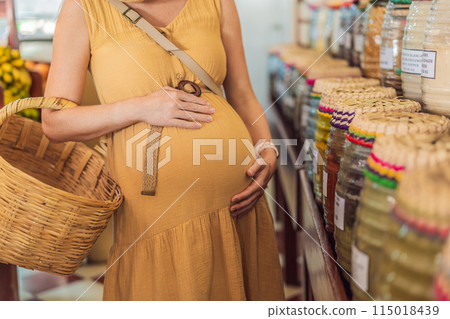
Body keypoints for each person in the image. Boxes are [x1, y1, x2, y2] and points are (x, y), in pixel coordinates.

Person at [42, 0, 284, 301]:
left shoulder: (218, 3)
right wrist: (139, 107)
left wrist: (267, 148)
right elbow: (55, 123)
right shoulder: (83, 8)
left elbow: (243, 95)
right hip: (155, 216)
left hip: (238, 208)